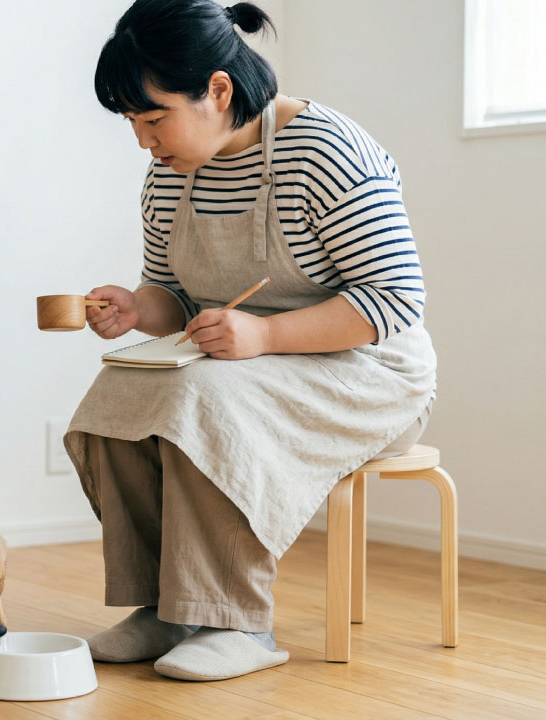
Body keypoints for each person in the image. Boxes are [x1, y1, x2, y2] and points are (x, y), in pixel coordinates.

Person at [62, 0, 437, 682]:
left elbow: (394, 299)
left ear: (218, 90)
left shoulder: (327, 151)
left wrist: (264, 333)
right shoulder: (169, 173)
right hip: (241, 363)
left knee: (208, 396)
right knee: (119, 390)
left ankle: (236, 623)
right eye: (131, 122)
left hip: (369, 372)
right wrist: (137, 308)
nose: (143, 142)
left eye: (154, 118)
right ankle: (167, 608)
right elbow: (172, 295)